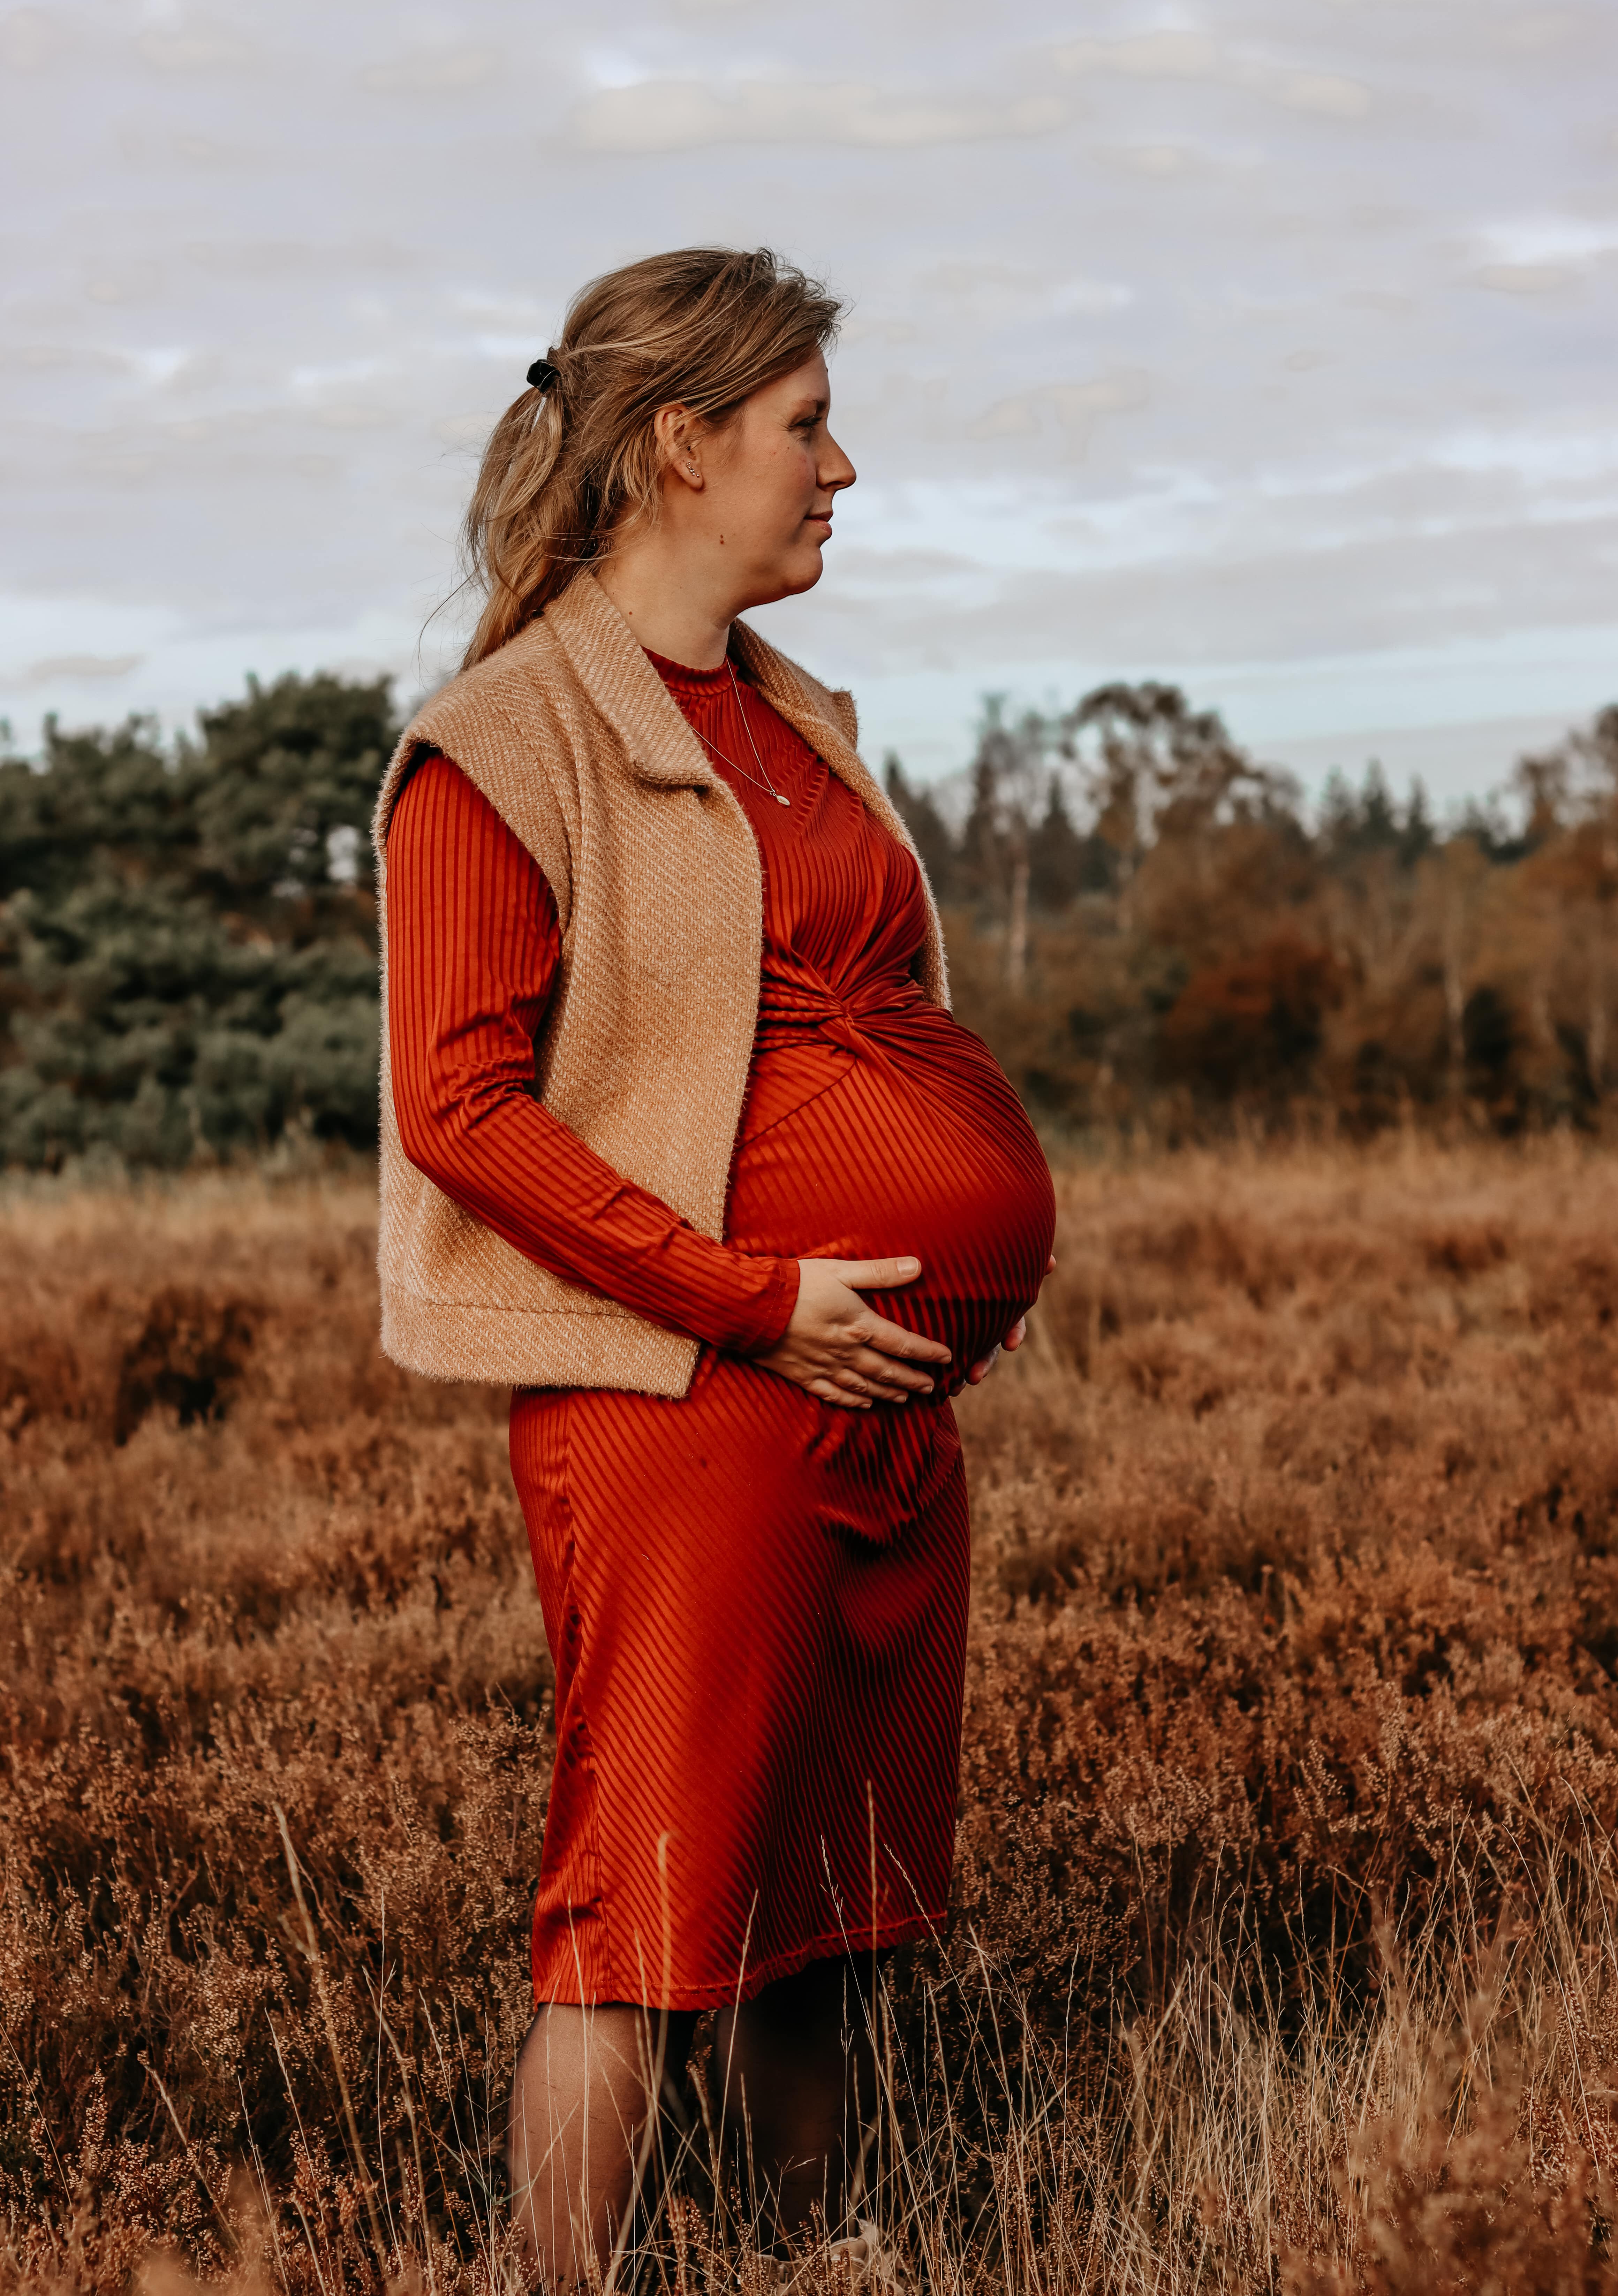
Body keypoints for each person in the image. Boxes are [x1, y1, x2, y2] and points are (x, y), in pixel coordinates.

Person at [373, 246, 1057, 2280]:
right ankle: (551, 2281)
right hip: (683, 1402)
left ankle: (805, 2260)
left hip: (868, 1410)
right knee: (642, 1899)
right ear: (682, 446)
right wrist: (756, 1298)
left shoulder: (787, 716)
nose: (839, 471)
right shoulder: (505, 743)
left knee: (822, 1900)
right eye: (804, 427)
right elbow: (460, 1110)